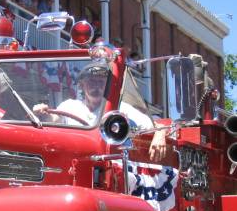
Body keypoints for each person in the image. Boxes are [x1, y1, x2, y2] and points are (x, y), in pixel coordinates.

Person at [33, 61, 168, 161]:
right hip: (74, 162)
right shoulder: (69, 106)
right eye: (92, 82)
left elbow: (155, 125)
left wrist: (160, 136)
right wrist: (44, 113)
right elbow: (55, 120)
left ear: (107, 86)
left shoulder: (120, 109)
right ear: (81, 84)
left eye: (101, 83)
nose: (96, 87)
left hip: (108, 165)